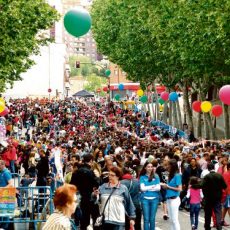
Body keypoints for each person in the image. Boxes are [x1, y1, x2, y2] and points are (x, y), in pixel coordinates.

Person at [70, 153, 100, 230]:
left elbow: (72, 185)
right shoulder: (90, 172)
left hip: (80, 198)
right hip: (90, 198)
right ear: (91, 161)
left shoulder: (76, 172)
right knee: (95, 218)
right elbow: (97, 184)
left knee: (83, 221)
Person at [201, 163, 227, 230]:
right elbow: (225, 186)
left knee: (208, 213)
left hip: (208, 197)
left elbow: (202, 185)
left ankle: (207, 227)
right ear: (214, 168)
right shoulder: (219, 176)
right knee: (218, 212)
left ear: (208, 168)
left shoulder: (207, 176)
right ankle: (219, 226)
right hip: (217, 197)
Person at [161, 159, 182, 230]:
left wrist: (168, 187)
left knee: (174, 220)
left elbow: (179, 189)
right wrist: (165, 186)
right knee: (171, 220)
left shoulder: (177, 175)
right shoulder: (171, 175)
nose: (167, 167)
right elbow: (170, 187)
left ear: (172, 166)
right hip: (169, 199)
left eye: (168, 165)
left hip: (174, 199)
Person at [139, 161, 161, 230]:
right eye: (148, 167)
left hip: (155, 199)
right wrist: (152, 186)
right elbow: (142, 189)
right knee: (146, 219)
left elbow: (158, 188)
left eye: (151, 167)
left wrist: (147, 188)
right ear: (145, 168)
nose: (150, 168)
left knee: (152, 219)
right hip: (145, 199)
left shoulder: (156, 176)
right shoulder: (142, 177)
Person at [121, 163, 141, 230]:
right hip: (136, 204)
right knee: (137, 224)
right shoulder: (136, 181)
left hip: (126, 206)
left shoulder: (121, 183)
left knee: (127, 225)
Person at [0, 160, 13, 229]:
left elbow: (10, 184)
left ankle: (4, 227)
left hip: (6, 194)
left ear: (2, 165)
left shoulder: (6, 173)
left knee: (5, 213)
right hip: (2, 195)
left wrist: (2, 189)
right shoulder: (1, 172)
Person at [222, 162, 230, 226]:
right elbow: (226, 185)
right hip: (228, 193)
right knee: (229, 207)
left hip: (227, 193)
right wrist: (226, 194)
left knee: (225, 207)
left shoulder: (226, 173)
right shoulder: (227, 174)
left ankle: (221, 220)